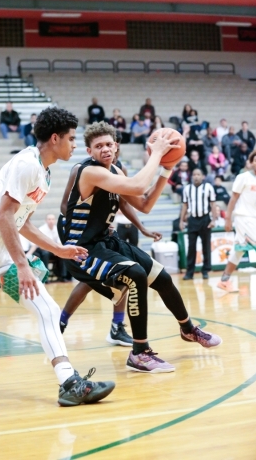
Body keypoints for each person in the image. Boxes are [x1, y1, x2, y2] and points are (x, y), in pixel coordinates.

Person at [0, 107, 115, 406]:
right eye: (71, 139)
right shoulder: (26, 164)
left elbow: (21, 221)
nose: (74, 145)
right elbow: (4, 216)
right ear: (55, 138)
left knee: (46, 309)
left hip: (2, 247)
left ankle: (69, 383)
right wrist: (22, 265)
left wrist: (58, 249)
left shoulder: (43, 171)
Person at [60, 122, 222, 373]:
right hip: (82, 249)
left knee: (162, 277)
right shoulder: (88, 171)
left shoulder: (115, 169)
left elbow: (144, 204)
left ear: (116, 146)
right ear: (89, 151)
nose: (105, 149)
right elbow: (137, 186)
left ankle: (188, 329)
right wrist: (157, 154)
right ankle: (139, 352)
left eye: (109, 144)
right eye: (98, 146)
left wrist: (166, 169)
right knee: (135, 275)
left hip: (105, 241)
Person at [217, 150, 256, 293]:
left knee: (239, 251)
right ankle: (225, 280)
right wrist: (228, 218)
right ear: (251, 163)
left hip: (254, 219)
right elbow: (233, 198)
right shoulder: (243, 177)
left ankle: (224, 280)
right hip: (243, 218)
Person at [180, 168, 217, 280]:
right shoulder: (187, 189)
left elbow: (213, 204)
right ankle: (189, 272)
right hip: (192, 220)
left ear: (202, 176)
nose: (196, 176)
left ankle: (205, 270)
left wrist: (214, 220)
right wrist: (181, 221)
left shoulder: (208, 187)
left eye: (198, 174)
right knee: (191, 247)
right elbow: (185, 205)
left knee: (206, 246)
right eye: (194, 174)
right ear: (192, 176)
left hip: (205, 219)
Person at [27, 213, 69, 282]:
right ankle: (45, 277)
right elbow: (41, 245)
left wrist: (58, 250)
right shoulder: (42, 229)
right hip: (42, 249)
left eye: (52, 219)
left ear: (55, 220)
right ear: (46, 221)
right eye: (49, 219)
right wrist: (54, 250)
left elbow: (59, 243)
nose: (51, 221)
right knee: (45, 253)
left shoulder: (57, 229)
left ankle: (63, 276)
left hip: (53, 249)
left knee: (62, 254)